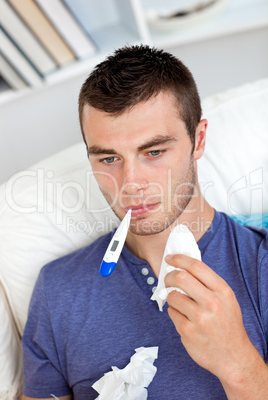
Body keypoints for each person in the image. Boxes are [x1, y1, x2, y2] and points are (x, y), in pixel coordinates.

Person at [22, 45, 268, 399]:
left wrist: (238, 364)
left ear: (198, 140)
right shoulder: (58, 292)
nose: (131, 183)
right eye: (109, 158)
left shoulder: (259, 266)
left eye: (153, 152)